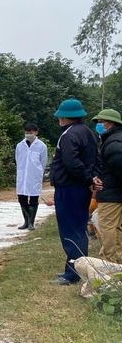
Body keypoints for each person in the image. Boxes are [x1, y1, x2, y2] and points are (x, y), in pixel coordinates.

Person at [48, 99, 102, 285]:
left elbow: (72, 163)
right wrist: (92, 178)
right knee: (79, 227)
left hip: (69, 188)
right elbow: (95, 159)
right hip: (80, 188)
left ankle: (72, 273)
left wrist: (87, 178)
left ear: (63, 117)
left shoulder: (68, 135)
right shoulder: (88, 132)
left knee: (70, 230)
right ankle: (78, 267)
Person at [93, 109, 122, 263]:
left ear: (111, 123)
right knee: (116, 228)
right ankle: (117, 260)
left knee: (108, 228)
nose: (99, 125)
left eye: (101, 122)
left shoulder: (114, 144)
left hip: (112, 194)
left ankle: (109, 261)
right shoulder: (113, 140)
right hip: (114, 193)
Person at [15, 123, 48, 230]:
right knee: (22, 198)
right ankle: (26, 221)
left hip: (34, 176)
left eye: (31, 133)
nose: (28, 135)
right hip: (22, 175)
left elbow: (43, 162)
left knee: (33, 199)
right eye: (27, 133)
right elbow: (17, 159)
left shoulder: (41, 146)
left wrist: (39, 173)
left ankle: (31, 223)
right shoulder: (20, 145)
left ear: (36, 132)